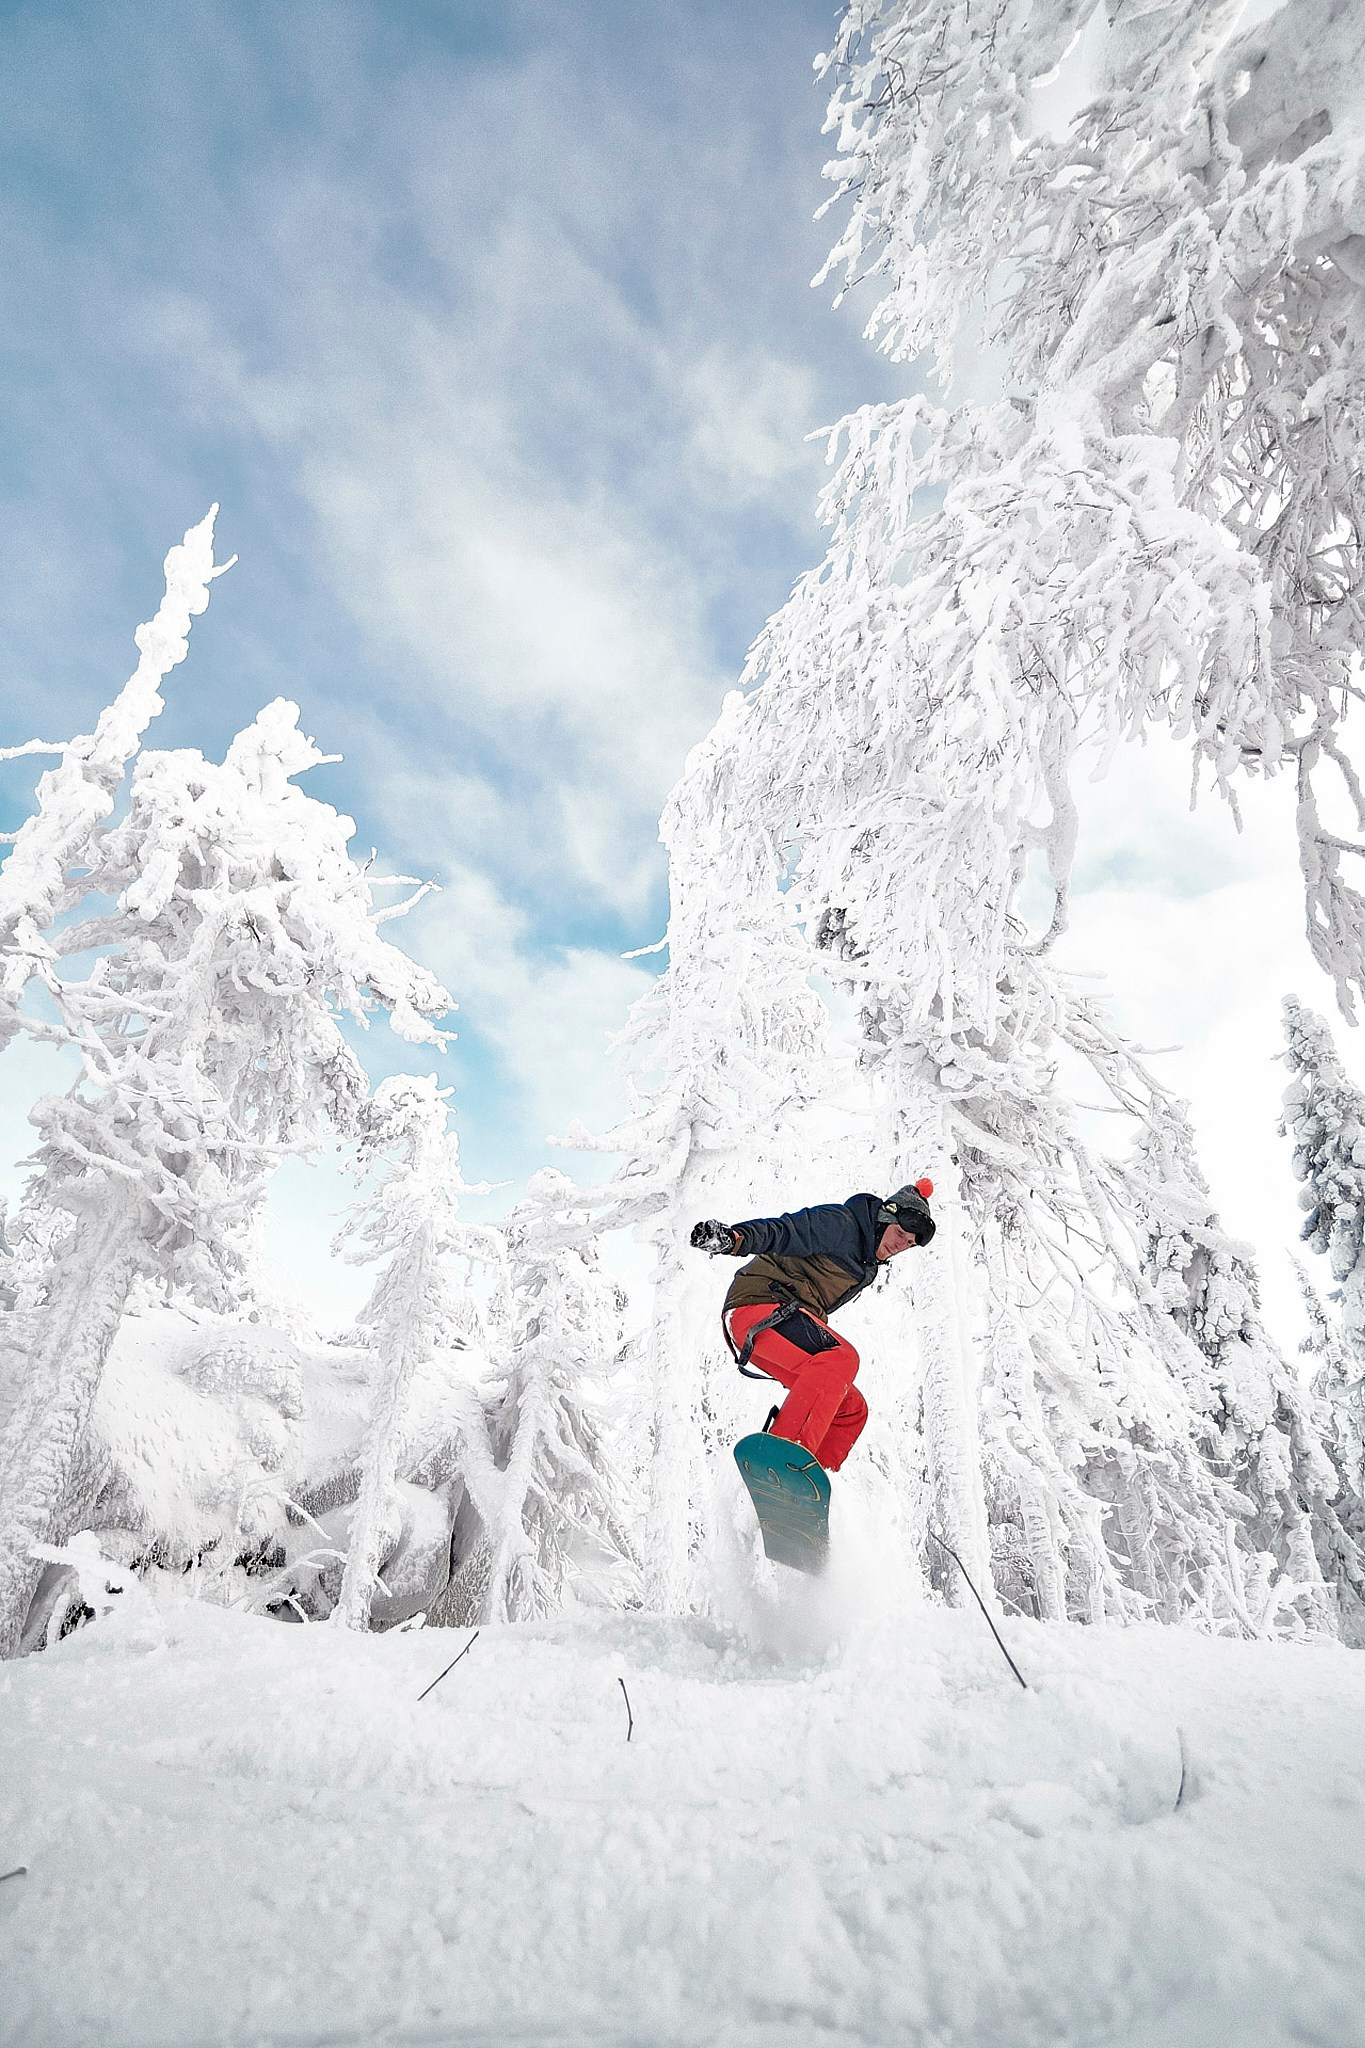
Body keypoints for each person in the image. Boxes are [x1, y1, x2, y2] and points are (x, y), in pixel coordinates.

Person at [689, 1182, 936, 1474]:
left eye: (909, 1244)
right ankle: (784, 1459)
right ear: (884, 1219)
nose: (900, 1245)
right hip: (757, 1307)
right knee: (841, 1358)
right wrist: (734, 1238)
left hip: (774, 1329)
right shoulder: (841, 1224)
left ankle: (807, 1484)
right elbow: (783, 1231)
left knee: (851, 1409)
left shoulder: (866, 1265)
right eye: (900, 1234)